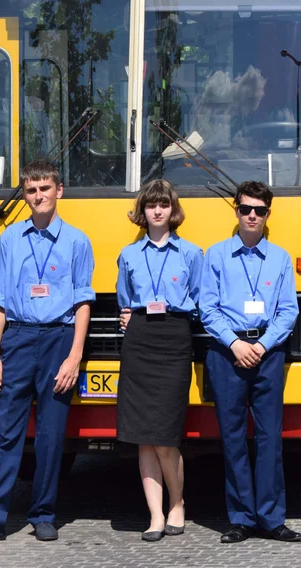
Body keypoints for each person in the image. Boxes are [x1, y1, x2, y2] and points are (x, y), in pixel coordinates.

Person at [0, 160, 94, 547]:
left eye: (45, 188)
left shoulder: (77, 242)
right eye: (31, 190)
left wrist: (74, 357)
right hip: (17, 340)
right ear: (25, 194)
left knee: (52, 435)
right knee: (6, 434)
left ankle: (44, 515)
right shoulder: (10, 240)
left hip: (58, 339)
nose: (38, 196)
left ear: (59, 191)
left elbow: (84, 301)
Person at [199, 181, 301, 545]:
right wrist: (235, 343)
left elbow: (288, 311)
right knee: (233, 438)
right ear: (236, 212)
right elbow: (207, 309)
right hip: (227, 353)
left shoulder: (280, 258)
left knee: (269, 438)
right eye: (246, 209)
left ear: (268, 215)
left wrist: (264, 344)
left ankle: (272, 520)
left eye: (260, 210)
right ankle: (240, 518)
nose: (252, 216)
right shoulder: (215, 255)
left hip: (268, 353)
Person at [115, 179, 203, 542]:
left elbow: (199, 298)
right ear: (142, 212)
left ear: (172, 210)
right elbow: (124, 296)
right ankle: (154, 515)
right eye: (150, 205)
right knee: (143, 438)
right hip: (139, 340)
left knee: (166, 437)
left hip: (174, 337)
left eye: (163, 205)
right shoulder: (129, 254)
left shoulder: (192, 253)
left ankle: (177, 504)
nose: (156, 211)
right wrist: (129, 317)